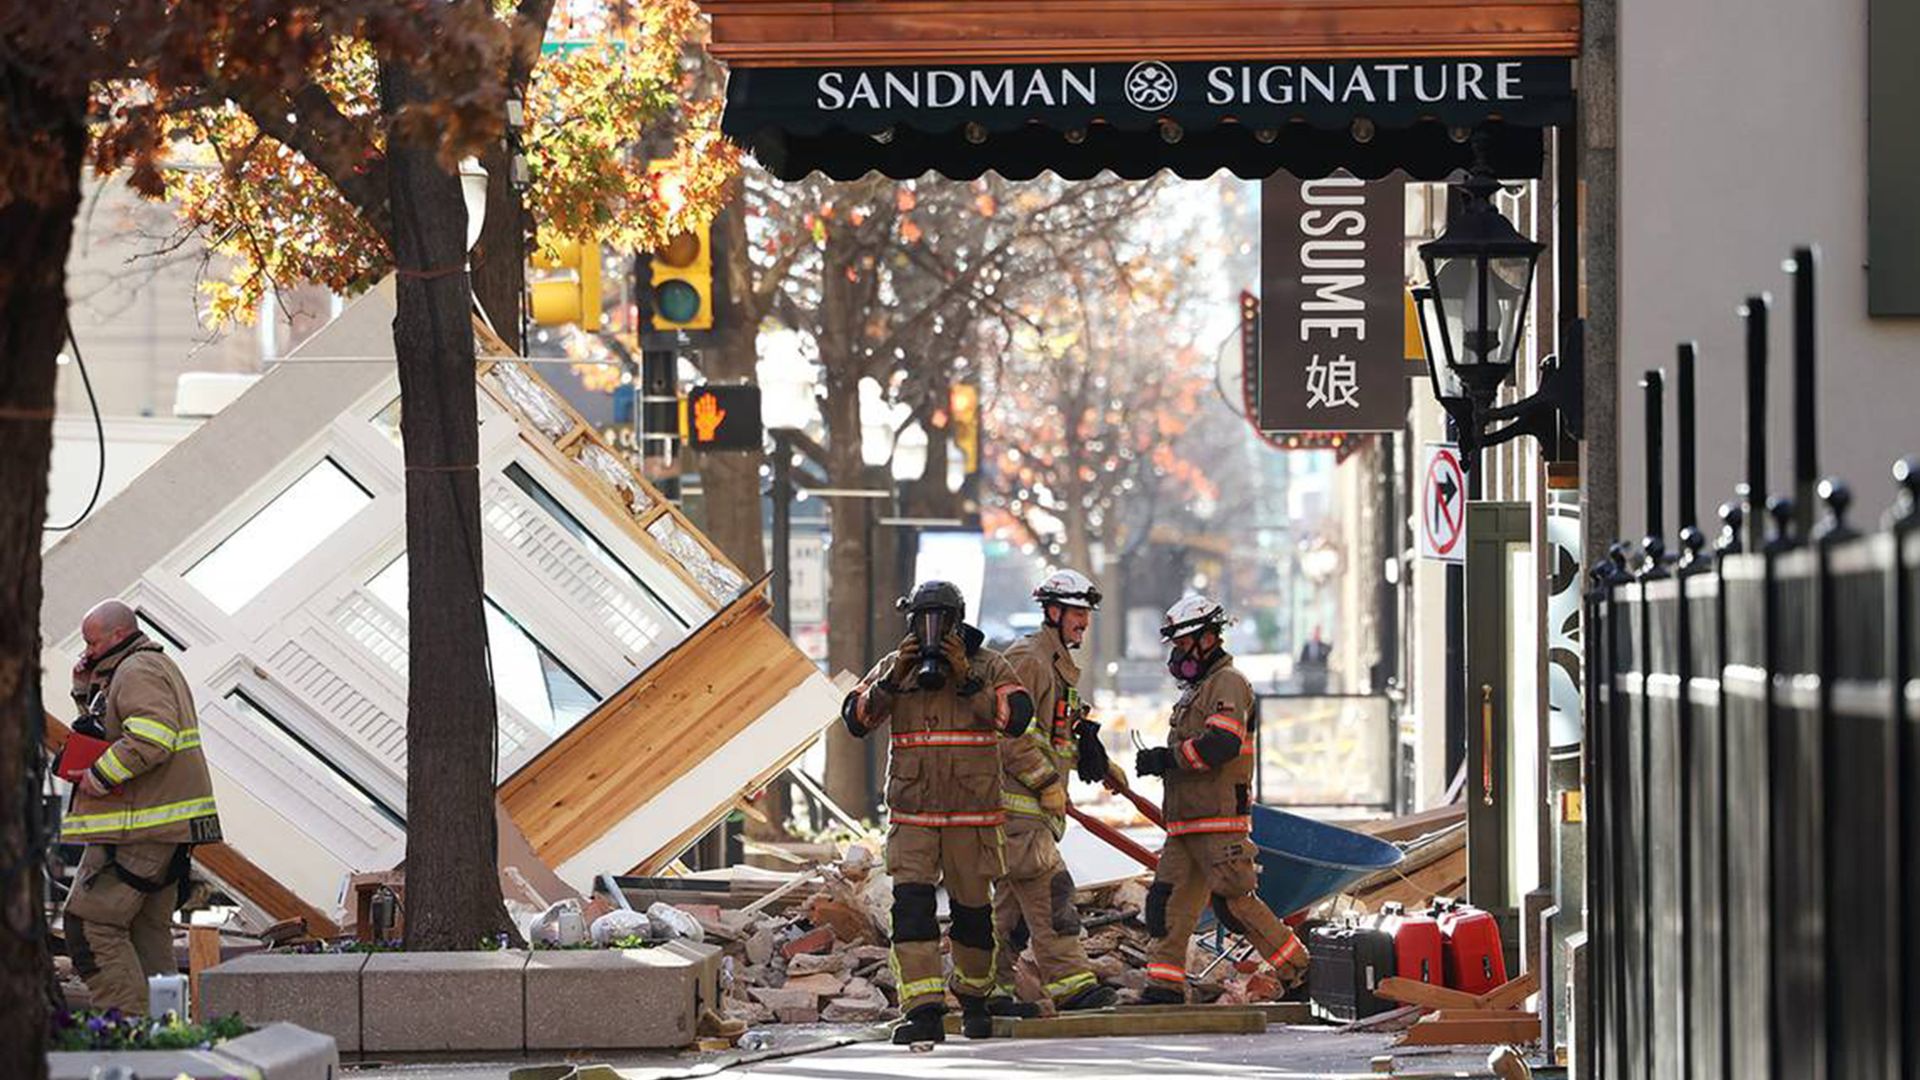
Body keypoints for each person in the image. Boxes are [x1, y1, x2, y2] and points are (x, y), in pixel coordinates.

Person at [841, 581, 1036, 1044]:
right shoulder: (897, 665)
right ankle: (923, 1010)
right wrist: (892, 680)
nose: (928, 629)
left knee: (972, 916)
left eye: (938, 619)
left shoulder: (989, 665)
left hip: (972, 817)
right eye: (919, 619)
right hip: (914, 816)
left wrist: (968, 679)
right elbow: (855, 718)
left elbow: (1017, 718)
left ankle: (973, 999)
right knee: (911, 912)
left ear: (957, 621)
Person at [1133, 596, 1309, 1004]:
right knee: (1167, 904)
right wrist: (1163, 763)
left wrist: (1168, 758)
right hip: (1186, 823)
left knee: (1235, 906)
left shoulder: (1227, 683)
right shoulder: (1196, 691)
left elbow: (1222, 743)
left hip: (1217, 821)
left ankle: (1299, 971)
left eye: (1182, 645)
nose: (1177, 656)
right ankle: (1164, 984)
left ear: (1207, 639)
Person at [61, 599, 222, 1016]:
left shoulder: (137, 671)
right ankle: (163, 1035)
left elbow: (151, 737)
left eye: (92, 642)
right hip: (163, 828)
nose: (88, 651)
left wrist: (98, 777)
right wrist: (85, 687)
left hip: (141, 830)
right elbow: (108, 727)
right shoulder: (140, 668)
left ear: (118, 634)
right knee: (145, 935)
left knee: (88, 927)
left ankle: (126, 1033)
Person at [990, 570, 1119, 1016]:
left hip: (1034, 813)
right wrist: (1046, 783)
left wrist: (1095, 755)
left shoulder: (1056, 663)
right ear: (1052, 611)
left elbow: (1054, 731)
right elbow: (1008, 736)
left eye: (1087, 614)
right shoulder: (1028, 659)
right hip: (1019, 810)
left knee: (1007, 915)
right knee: (1053, 892)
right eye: (1077, 613)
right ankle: (1073, 987)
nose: (1083, 622)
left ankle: (985, 989)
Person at [1297, 624, 1332, 695]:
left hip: (1319, 679)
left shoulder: (1323, 646)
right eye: (1315, 632)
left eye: (1318, 632)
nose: (1317, 634)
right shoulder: (1307, 646)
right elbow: (1302, 660)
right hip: (1308, 679)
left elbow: (1326, 659)